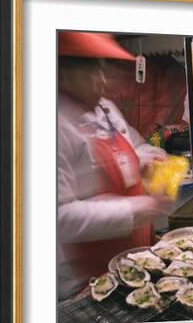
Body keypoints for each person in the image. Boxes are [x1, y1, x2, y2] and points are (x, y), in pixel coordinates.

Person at [57, 31, 173, 300]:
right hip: (85, 276)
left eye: (102, 70)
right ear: (63, 74)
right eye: (91, 71)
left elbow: (135, 146)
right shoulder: (53, 123)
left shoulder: (105, 109)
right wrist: (138, 209)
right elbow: (58, 217)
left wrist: (150, 158)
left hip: (132, 254)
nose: (103, 81)